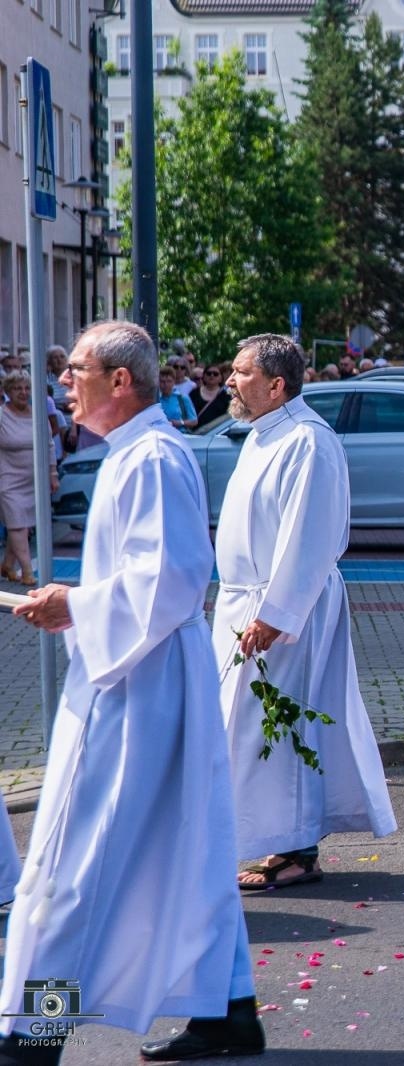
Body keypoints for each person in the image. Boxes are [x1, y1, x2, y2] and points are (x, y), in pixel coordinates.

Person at [3, 321, 264, 1064]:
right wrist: (79, 602)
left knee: (72, 861)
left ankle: (36, 1030)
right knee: (184, 852)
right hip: (147, 674)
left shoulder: (149, 457)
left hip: (132, 685)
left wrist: (75, 605)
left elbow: (172, 577)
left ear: (122, 381)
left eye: (76, 370)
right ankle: (228, 1010)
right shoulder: (137, 454)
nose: (62, 383)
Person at [214, 334, 398, 891]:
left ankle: (296, 849)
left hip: (287, 611)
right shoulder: (263, 435)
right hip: (246, 603)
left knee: (281, 726)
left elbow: (309, 536)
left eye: (241, 373)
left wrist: (275, 614)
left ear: (276, 384)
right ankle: (271, 841)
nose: (229, 381)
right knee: (246, 731)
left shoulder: (309, 441)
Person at [0, 372, 56, 586]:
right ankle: (26, 571)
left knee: (24, 524)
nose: (23, 393)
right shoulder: (2, 416)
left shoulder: (38, 415)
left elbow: (49, 445)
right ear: (7, 392)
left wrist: (52, 474)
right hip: (8, 479)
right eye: (17, 389)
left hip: (33, 479)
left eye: (26, 388)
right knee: (17, 525)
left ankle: (6, 564)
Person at [157, 365, 198, 431]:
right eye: (162, 382)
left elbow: (194, 421)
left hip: (180, 434)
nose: (166, 385)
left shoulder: (182, 398)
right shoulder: (155, 399)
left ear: (174, 382)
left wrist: (180, 423)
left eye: (169, 381)